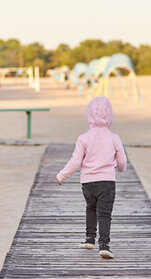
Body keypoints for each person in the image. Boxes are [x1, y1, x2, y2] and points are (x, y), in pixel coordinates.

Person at [56, 97, 127, 259]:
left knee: (91, 208)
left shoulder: (83, 138)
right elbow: (122, 162)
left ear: (88, 115)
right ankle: (104, 245)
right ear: (110, 116)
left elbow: (75, 161)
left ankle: (89, 239)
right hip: (107, 182)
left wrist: (61, 175)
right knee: (104, 214)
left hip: (87, 183)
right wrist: (121, 168)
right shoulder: (114, 138)